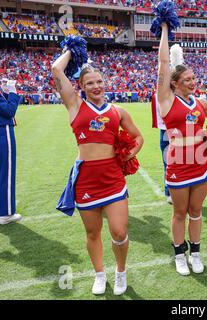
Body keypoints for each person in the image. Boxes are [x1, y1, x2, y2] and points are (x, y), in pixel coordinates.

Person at [52, 48, 143, 296]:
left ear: (105, 83)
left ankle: (121, 272)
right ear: (80, 86)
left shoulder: (118, 111)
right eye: (90, 83)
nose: (96, 86)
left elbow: (137, 137)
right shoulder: (75, 106)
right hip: (86, 181)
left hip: (113, 179)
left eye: (99, 81)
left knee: (119, 231)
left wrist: (128, 154)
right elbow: (56, 70)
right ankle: (99, 274)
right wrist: (72, 48)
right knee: (92, 232)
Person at [157, 24, 207, 276]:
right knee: (179, 212)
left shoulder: (200, 102)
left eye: (193, 79)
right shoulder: (166, 99)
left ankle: (195, 253)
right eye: (187, 80)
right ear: (174, 84)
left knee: (196, 211)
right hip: (177, 163)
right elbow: (163, 64)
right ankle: (179, 254)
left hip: (200, 163)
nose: (192, 83)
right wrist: (165, 29)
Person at [0, 58, 22, 225]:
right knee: (6, 172)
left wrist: (3, 93)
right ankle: (6, 213)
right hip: (1, 131)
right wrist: (12, 92)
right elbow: (9, 111)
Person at [151, 92, 172, 204]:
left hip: (183, 131)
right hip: (166, 131)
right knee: (168, 162)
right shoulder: (159, 95)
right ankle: (169, 192)